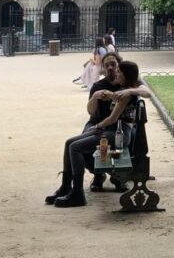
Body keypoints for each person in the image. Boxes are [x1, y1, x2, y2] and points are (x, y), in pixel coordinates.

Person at [46, 60, 144, 207]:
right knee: (69, 142)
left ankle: (77, 193)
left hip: (118, 134)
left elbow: (112, 119)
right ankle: (66, 187)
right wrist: (102, 95)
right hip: (112, 131)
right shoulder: (123, 90)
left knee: (75, 147)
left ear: (124, 75)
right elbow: (115, 103)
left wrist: (96, 126)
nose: (115, 72)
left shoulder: (127, 93)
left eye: (118, 71)